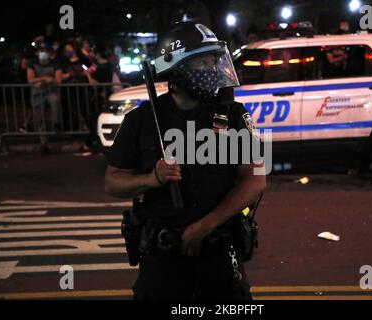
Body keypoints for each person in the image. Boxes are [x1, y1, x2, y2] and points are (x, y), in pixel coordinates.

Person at [104, 22, 266, 300]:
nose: (212, 70)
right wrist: (151, 179)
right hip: (162, 256)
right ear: (176, 69)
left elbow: (256, 180)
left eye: (214, 60)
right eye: (202, 62)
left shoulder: (233, 115)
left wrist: (206, 225)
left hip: (219, 253)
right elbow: (113, 182)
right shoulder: (140, 121)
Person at [27, 41, 63, 154]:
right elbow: (30, 80)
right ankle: (44, 143)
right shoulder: (32, 63)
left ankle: (56, 125)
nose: (43, 53)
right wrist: (45, 79)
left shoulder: (55, 63)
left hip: (51, 91)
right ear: (37, 52)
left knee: (55, 102)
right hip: (37, 94)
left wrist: (40, 81)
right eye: (41, 51)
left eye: (45, 51)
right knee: (39, 118)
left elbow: (58, 79)